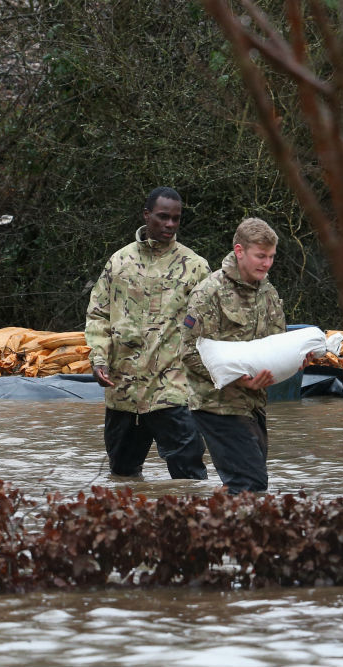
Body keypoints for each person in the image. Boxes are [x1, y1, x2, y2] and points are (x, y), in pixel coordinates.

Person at [85, 187, 210, 479]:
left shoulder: (195, 267)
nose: (169, 224)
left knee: (190, 477)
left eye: (176, 219)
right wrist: (99, 358)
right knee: (122, 478)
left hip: (173, 391)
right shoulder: (119, 263)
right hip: (123, 390)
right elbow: (98, 314)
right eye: (163, 217)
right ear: (147, 215)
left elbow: (210, 326)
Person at [180, 217, 287, 494]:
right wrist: (238, 379)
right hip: (216, 404)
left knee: (247, 485)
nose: (266, 263)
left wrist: (298, 359)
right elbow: (190, 353)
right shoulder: (209, 292)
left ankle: (205, 527)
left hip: (254, 402)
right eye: (260, 256)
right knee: (250, 484)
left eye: (271, 257)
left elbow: (277, 346)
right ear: (239, 251)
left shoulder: (269, 293)